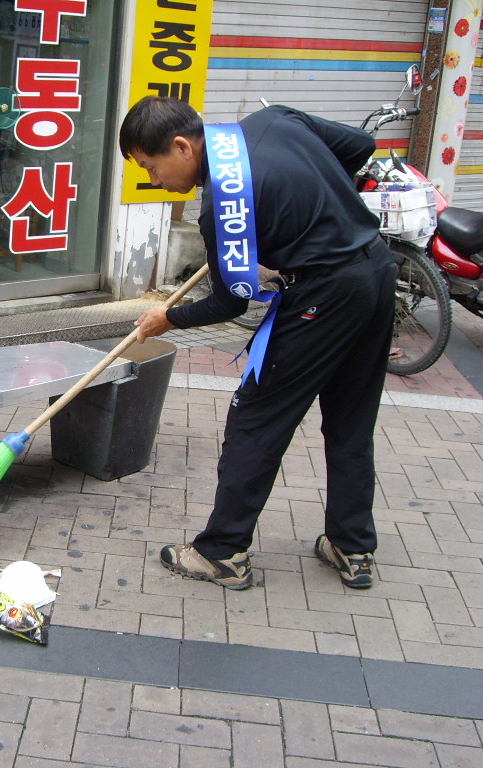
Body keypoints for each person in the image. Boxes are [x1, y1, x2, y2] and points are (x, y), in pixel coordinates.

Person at [120, 96, 396, 590]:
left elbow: (229, 304)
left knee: (256, 419)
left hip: (326, 295)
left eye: (152, 166)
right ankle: (352, 545)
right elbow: (362, 146)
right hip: (376, 272)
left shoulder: (223, 204)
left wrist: (169, 317)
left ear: (183, 146)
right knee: (352, 418)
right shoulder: (277, 119)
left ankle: (221, 552)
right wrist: (316, 200)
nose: (154, 180)